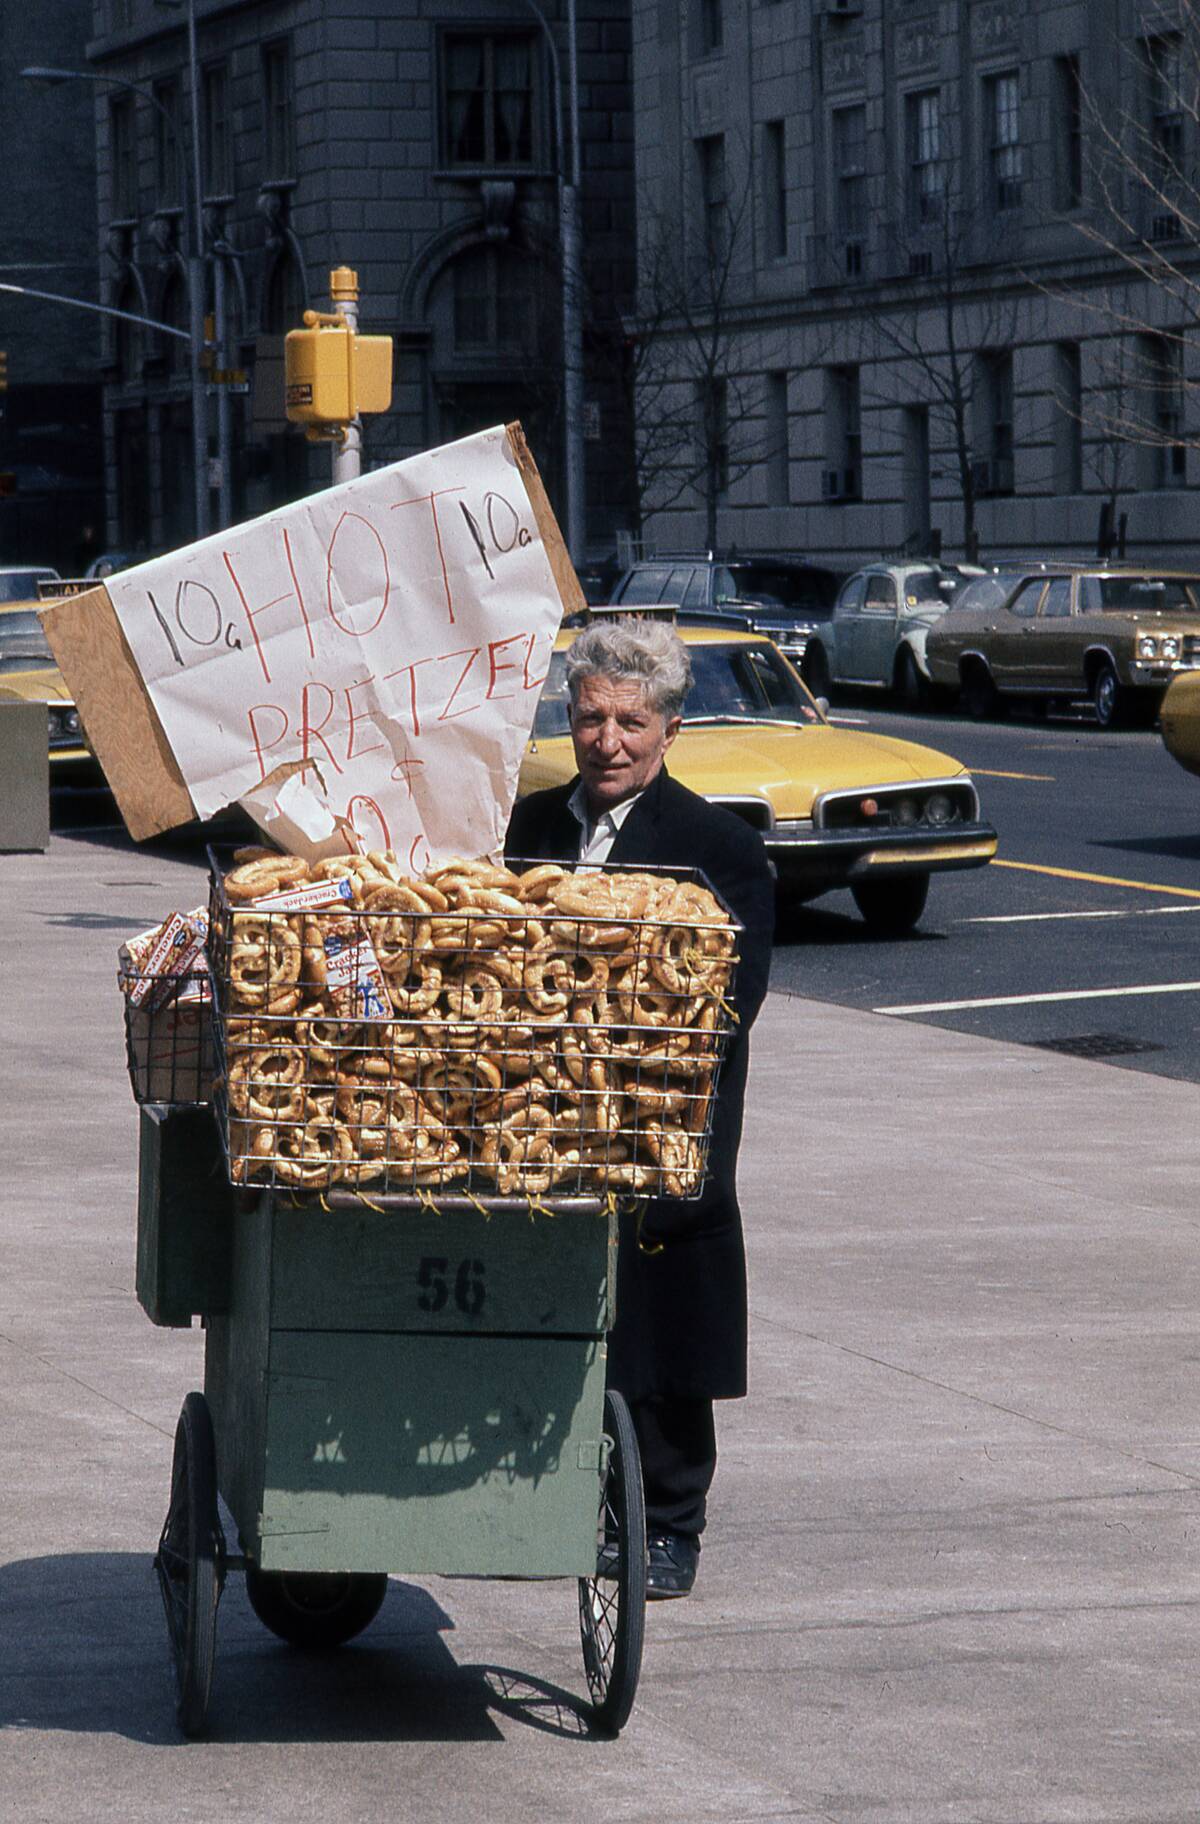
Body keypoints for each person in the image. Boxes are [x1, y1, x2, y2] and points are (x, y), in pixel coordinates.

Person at [506, 616, 774, 1598]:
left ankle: (668, 1525)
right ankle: (551, 1500)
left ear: (669, 729)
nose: (608, 742)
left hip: (659, 1120)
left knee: (661, 1327)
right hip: (536, 1118)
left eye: (630, 722)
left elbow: (731, 1000)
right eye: (591, 719)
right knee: (548, 1305)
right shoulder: (528, 829)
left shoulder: (717, 846)